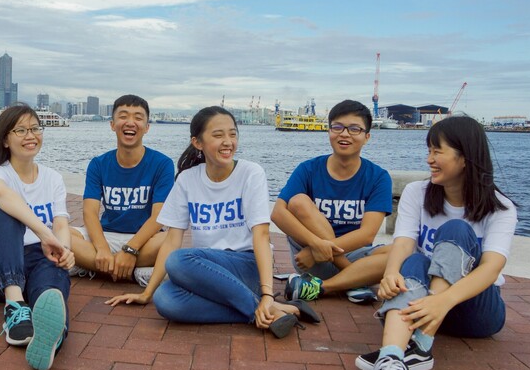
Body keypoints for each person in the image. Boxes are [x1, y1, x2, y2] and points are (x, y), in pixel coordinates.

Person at [107, 106, 319, 339]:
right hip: (208, 272)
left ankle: (265, 307)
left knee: (179, 260)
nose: (228, 142)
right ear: (197, 142)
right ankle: (270, 310)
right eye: (218, 135)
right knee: (164, 299)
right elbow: (171, 241)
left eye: (232, 134)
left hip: (248, 266)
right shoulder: (187, 179)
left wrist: (268, 293)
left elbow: (261, 235)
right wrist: (147, 293)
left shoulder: (251, 173)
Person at [356, 115, 517, 370]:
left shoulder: (500, 208)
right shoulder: (417, 192)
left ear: (465, 157)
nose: (429, 159)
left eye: (437, 151)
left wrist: (443, 301)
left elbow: (491, 269)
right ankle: (392, 360)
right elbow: (403, 242)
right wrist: (390, 274)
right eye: (428, 151)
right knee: (415, 262)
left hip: (474, 310)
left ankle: (419, 342)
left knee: (456, 230)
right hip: (423, 306)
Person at [0, 104, 75, 370]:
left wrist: (64, 250)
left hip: (38, 257)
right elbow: (3, 195)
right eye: (21, 130)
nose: (31, 136)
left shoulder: (52, 178)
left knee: (51, 290)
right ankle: (15, 306)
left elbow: (61, 222)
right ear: (5, 139)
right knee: (10, 212)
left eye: (35, 128)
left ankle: (53, 336)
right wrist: (45, 234)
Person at [272, 100, 393, 303]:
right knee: (298, 201)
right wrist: (314, 246)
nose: (344, 134)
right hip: (313, 261)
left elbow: (367, 234)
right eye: (337, 127)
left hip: (350, 256)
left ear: (367, 137)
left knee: (402, 253)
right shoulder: (309, 169)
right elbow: (277, 213)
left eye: (354, 129)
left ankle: (322, 287)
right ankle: (355, 282)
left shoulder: (378, 177)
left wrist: (317, 251)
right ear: (329, 131)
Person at [70, 94, 174, 285]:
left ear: (147, 127)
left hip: (144, 240)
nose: (130, 122)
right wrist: (102, 248)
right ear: (112, 124)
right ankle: (132, 272)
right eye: (123, 116)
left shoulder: (162, 164)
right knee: (61, 234)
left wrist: (130, 250)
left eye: (138, 117)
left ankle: (94, 267)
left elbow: (159, 216)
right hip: (106, 235)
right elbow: (90, 212)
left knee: (171, 238)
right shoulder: (99, 164)